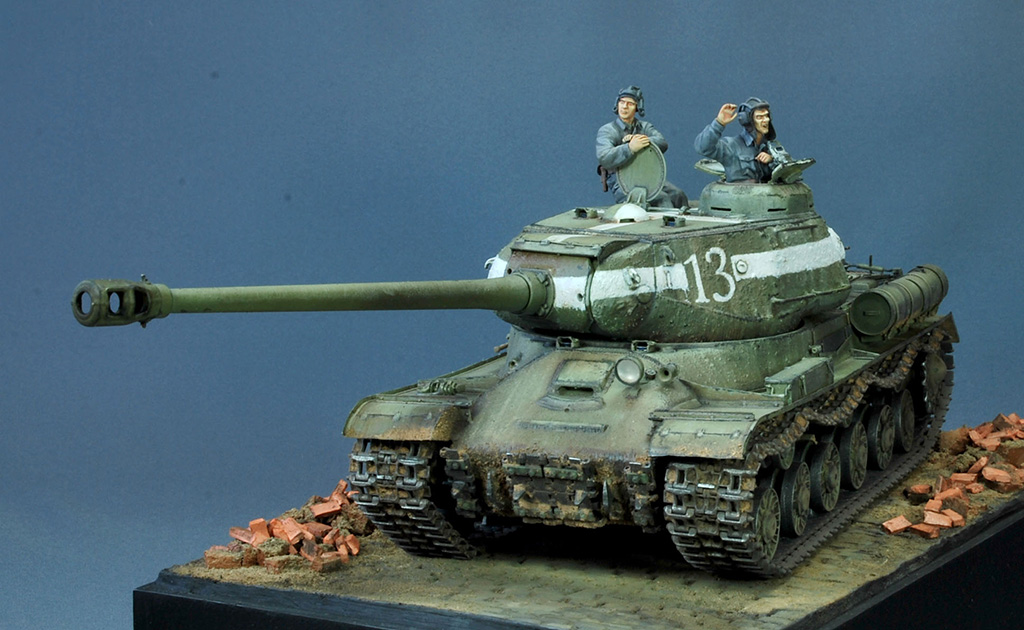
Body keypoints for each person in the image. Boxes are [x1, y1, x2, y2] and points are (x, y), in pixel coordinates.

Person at [596, 86, 687, 208]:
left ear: (637, 107)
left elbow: (662, 142)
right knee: (662, 199)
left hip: (645, 175)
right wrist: (630, 148)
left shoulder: (644, 127)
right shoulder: (608, 130)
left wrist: (640, 139)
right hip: (621, 179)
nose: (624, 107)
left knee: (678, 195)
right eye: (622, 102)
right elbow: (604, 157)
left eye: (630, 104)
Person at [694, 97, 778, 183]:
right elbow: (703, 148)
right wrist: (718, 124)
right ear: (748, 120)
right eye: (759, 117)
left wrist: (772, 160)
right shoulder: (732, 146)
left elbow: (784, 172)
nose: (766, 120)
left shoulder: (772, 148)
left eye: (766, 116)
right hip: (739, 190)